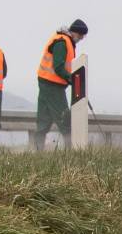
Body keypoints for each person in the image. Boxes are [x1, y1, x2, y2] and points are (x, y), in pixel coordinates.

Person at [36, 19, 87, 150]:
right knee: (65, 119)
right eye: (81, 35)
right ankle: (71, 151)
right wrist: (71, 79)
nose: (81, 38)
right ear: (75, 33)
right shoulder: (62, 42)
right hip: (52, 85)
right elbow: (58, 67)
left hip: (46, 82)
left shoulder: (64, 40)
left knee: (44, 120)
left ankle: (37, 151)